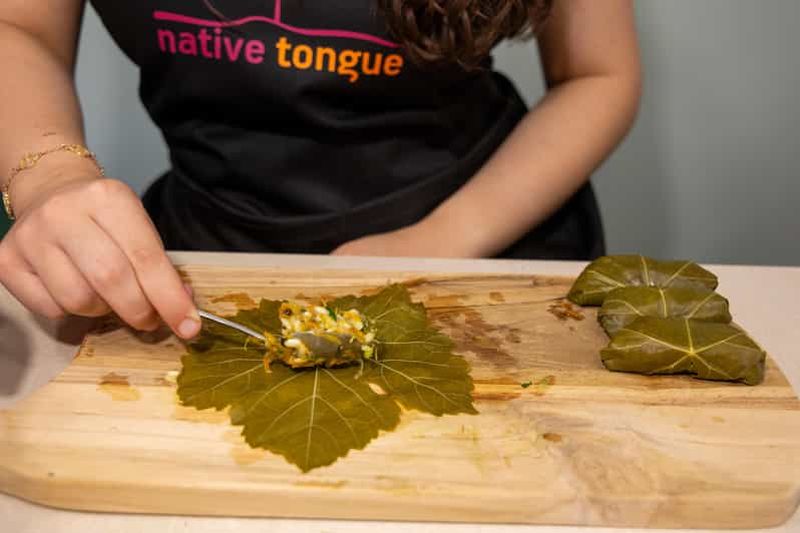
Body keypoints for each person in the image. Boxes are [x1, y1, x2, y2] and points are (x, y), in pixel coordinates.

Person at [0, 1, 641, 340]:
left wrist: (446, 237)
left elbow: (599, 75)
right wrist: (51, 176)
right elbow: (18, 25)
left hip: (485, 259)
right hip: (202, 265)